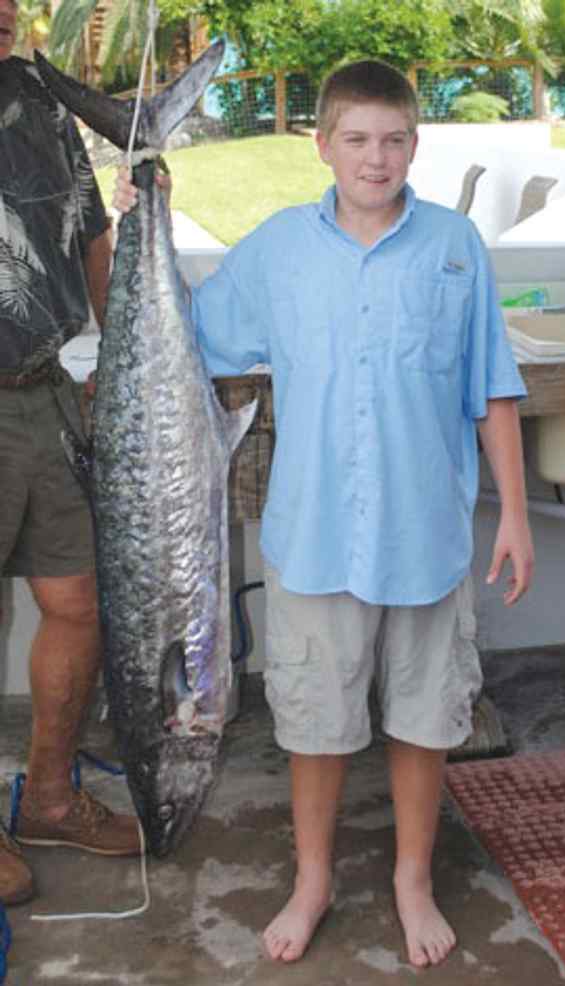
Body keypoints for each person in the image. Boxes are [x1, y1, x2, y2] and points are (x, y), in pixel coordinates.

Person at [114, 59, 534, 967]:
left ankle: (411, 881)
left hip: (426, 537)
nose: (375, 158)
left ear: (414, 144)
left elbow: (492, 387)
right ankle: (312, 881)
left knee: (425, 722)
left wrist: (515, 515)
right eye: (356, 140)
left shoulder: (456, 245)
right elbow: (186, 332)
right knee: (314, 727)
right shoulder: (277, 249)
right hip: (313, 538)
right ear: (322, 145)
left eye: (393, 140)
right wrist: (143, 216)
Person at [0, 0, 140, 907]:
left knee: (79, 600)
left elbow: (92, 232)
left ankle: (50, 798)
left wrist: (120, 356)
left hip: (47, 388)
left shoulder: (39, 95)